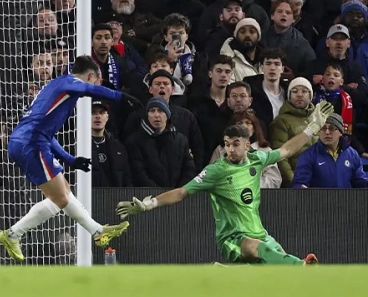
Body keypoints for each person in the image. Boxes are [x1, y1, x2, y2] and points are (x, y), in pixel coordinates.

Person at [116, 109, 333, 265]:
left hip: (261, 234)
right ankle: (301, 265)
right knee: (257, 250)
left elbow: (286, 150)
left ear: (247, 145)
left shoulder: (257, 159)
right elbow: (182, 192)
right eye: (227, 144)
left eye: (235, 144)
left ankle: (231, 273)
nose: (230, 149)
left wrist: (311, 129)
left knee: (274, 269)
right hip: (232, 239)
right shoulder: (216, 171)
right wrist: (150, 204)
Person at [0, 56, 137, 262]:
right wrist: (120, 96)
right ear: (91, 76)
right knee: (60, 199)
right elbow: (87, 89)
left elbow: (47, 132)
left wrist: (70, 159)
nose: (94, 86)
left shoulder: (56, 87)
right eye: (96, 81)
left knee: (64, 193)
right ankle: (13, 234)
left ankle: (98, 231)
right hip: (32, 144)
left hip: (29, 141)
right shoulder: (69, 83)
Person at [292, 113, 368, 188]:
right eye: (323, 128)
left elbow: (361, 182)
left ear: (341, 132)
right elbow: (299, 183)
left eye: (332, 128)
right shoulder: (308, 156)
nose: (327, 132)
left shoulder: (352, 155)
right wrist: (300, 188)